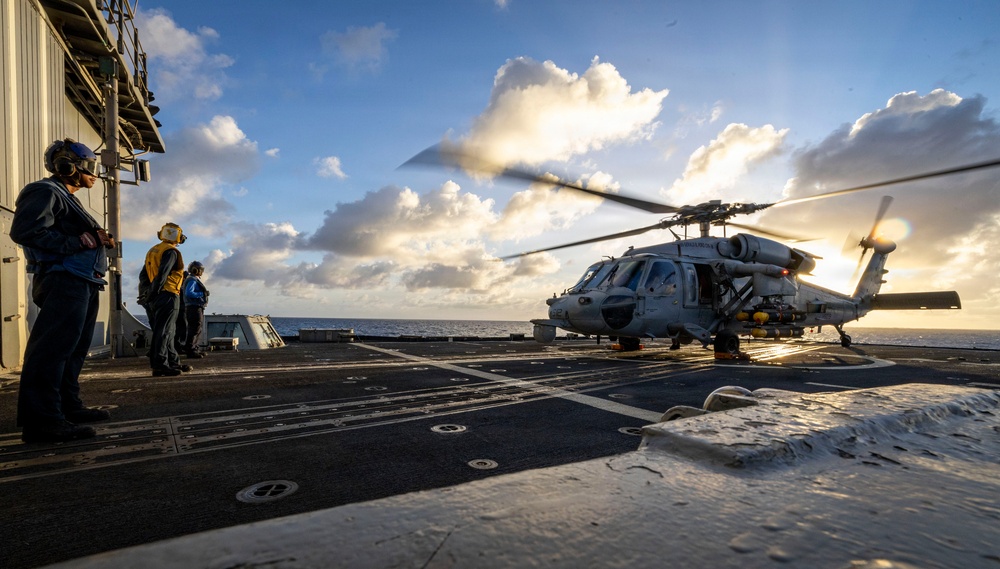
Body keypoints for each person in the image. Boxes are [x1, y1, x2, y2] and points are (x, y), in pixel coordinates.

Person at [10, 139, 115, 443]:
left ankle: (68, 406)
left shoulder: (68, 197)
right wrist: (76, 243)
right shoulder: (44, 190)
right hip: (63, 278)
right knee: (52, 351)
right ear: (68, 166)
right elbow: (26, 231)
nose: (95, 174)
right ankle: (42, 421)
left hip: (83, 279)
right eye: (90, 166)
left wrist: (95, 239)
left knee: (73, 349)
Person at [144, 222, 193, 377]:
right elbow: (163, 274)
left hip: (158, 294)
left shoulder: (154, 250)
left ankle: (173, 362)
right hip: (168, 294)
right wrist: (155, 292)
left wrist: (149, 294)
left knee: (168, 331)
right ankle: (160, 365)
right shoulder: (171, 252)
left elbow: (145, 274)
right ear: (177, 236)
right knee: (164, 331)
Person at [181, 261, 209, 358]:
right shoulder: (192, 280)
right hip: (194, 307)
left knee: (197, 328)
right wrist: (202, 294)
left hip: (194, 307)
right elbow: (189, 293)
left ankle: (194, 348)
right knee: (194, 328)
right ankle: (191, 349)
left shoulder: (191, 279)